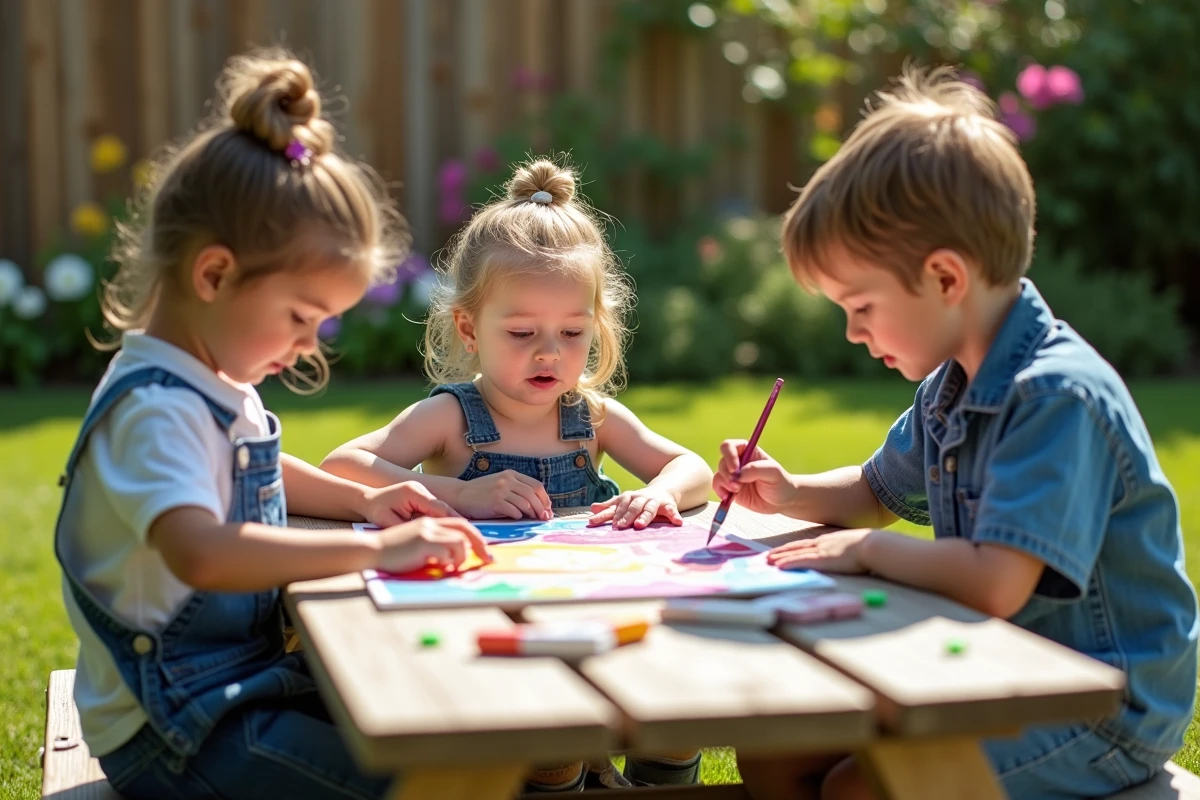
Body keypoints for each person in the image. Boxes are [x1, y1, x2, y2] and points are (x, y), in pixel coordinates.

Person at [715, 66, 1198, 800]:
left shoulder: (1056, 397)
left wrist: (870, 551)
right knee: (777, 754)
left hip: (1103, 705)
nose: (852, 331)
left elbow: (996, 583)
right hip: (1004, 671)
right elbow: (877, 489)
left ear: (945, 279)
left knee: (864, 788)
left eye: (862, 306)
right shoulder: (951, 386)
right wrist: (786, 492)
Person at [54, 48, 488, 800]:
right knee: (434, 781)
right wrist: (378, 551)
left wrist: (363, 502)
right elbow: (202, 553)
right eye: (299, 316)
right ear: (214, 274)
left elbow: (253, 467)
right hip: (181, 732)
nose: (306, 343)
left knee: (436, 716)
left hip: (238, 688)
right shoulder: (157, 410)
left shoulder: (210, 382)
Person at [321, 158, 713, 790]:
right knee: (548, 753)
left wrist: (659, 492)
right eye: (523, 331)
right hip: (487, 641)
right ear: (470, 329)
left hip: (597, 623)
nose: (549, 352)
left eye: (572, 332)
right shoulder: (450, 414)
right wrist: (456, 492)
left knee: (675, 732)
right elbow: (344, 464)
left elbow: (690, 467)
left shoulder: (590, 415)